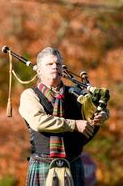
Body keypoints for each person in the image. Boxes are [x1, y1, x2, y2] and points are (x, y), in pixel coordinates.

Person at [19, 47, 109, 186]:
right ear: (39, 70)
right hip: (43, 164)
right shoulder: (30, 95)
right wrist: (74, 125)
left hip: (72, 163)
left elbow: (93, 109)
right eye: (50, 64)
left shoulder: (75, 93)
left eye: (58, 64)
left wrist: (101, 115)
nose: (55, 67)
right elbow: (38, 121)